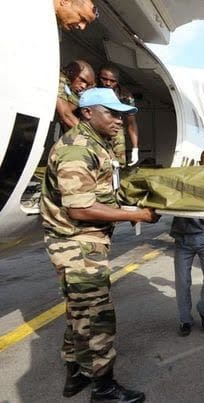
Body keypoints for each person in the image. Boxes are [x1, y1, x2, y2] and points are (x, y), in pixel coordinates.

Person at [40, 88, 159, 402]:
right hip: (76, 246)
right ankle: (104, 389)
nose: (119, 120)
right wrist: (138, 215)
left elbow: (101, 192)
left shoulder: (95, 143)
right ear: (88, 112)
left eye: (120, 114)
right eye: (112, 113)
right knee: (96, 317)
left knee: (79, 313)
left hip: (81, 243)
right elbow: (79, 209)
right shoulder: (77, 150)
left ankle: (75, 376)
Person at [169, 148, 204, 336]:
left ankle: (203, 309)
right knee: (182, 284)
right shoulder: (187, 179)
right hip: (183, 240)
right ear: (200, 163)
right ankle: (185, 320)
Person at [97, 65, 141, 166]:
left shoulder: (124, 95)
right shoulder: (91, 90)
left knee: (119, 164)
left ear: (117, 81)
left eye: (112, 81)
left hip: (115, 130)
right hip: (96, 127)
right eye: (104, 79)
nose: (108, 83)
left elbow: (131, 123)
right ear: (98, 77)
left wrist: (135, 148)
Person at [56, 60, 95, 131]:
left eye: (87, 84)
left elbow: (68, 109)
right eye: (82, 80)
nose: (84, 86)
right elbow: (65, 115)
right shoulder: (59, 79)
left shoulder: (69, 87)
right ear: (71, 72)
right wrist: (90, 136)